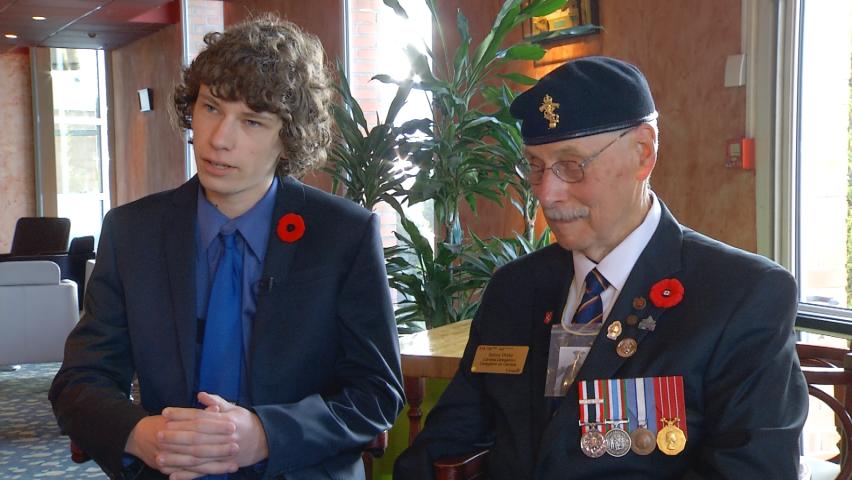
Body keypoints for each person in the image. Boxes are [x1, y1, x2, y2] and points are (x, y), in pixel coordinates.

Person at [393, 56, 808, 479]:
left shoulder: (739, 297)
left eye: (571, 165)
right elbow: (448, 440)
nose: (548, 194)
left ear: (643, 153)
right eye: (535, 167)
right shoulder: (515, 289)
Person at [50, 14, 404, 480]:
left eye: (252, 121)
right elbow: (78, 381)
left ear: (289, 137)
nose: (219, 139)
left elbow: (376, 392)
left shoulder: (344, 235)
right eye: (211, 108)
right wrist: (141, 435)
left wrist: (266, 435)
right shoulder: (132, 232)